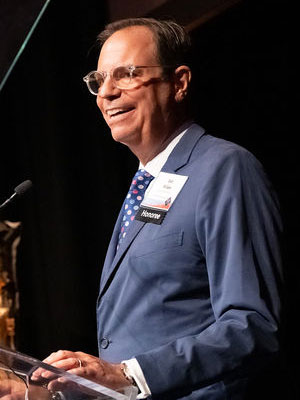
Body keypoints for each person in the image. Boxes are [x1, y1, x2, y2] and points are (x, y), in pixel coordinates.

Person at [37, 18, 283, 399]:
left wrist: (128, 374)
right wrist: (45, 391)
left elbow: (251, 325)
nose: (107, 92)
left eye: (127, 74)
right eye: (98, 81)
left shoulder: (223, 168)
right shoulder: (149, 185)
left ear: (179, 82)